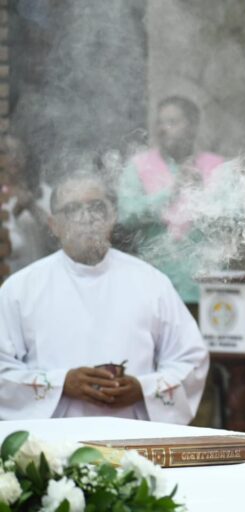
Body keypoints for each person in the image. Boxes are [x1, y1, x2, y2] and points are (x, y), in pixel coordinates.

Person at [0, 171, 210, 424]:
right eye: (72, 210)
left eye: (97, 208)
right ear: (53, 225)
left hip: (133, 442)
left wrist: (142, 389)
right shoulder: (21, 289)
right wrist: (61, 384)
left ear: (113, 217)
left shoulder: (151, 282)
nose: (86, 218)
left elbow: (190, 360)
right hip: (52, 444)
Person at [118, 95, 226, 304]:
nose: (163, 129)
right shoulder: (138, 166)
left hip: (206, 290)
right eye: (159, 122)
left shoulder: (217, 167)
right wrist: (170, 192)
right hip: (155, 288)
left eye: (172, 122)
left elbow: (233, 218)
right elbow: (126, 215)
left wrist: (203, 193)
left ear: (193, 127)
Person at [0, 134, 54, 274]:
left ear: (27, 156)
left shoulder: (45, 193)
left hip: (43, 276)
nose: (14, 157)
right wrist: (14, 213)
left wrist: (32, 207)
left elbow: (59, 238)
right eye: (6, 151)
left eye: (19, 151)